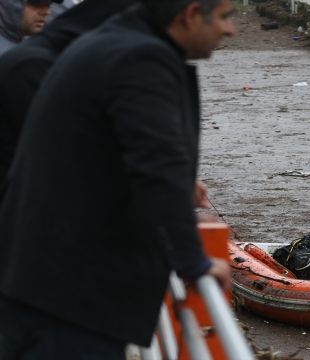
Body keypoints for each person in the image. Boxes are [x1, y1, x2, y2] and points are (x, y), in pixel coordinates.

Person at [0, 1, 235, 359]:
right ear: (190, 14)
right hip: (70, 302)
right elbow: (159, 166)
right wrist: (194, 264)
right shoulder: (141, 58)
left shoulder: (110, 43)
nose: (230, 29)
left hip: (41, 286)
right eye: (224, 17)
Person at [0, 0, 135, 185]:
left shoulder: (27, 48)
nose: (45, 12)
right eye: (36, 4)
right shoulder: (25, 63)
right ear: (10, 5)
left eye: (48, 5)